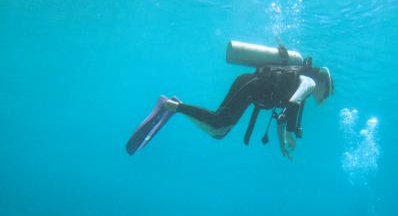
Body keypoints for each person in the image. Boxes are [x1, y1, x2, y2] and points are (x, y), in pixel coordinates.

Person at [125, 43, 334, 159]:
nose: (323, 98)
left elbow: (282, 118)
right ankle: (172, 105)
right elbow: (292, 104)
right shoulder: (310, 83)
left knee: (219, 132)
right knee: (218, 121)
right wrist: (289, 134)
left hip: (251, 88)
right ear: (322, 83)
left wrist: (282, 146)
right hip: (251, 85)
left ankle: (175, 106)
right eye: (327, 93)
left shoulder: (302, 90)